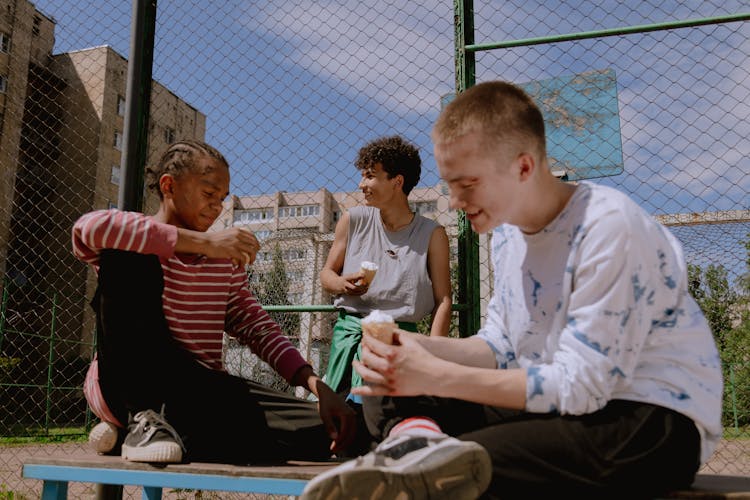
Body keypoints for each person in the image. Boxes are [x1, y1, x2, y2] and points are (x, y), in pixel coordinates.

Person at [301, 81, 723, 500]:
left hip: (648, 418)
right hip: (554, 406)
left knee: (472, 463)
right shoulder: (506, 236)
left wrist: (439, 373)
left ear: (522, 167)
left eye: (466, 184)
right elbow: (499, 346)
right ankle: (414, 448)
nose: (453, 201)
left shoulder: (608, 228)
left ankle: (421, 465)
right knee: (390, 386)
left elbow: (583, 386)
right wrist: (413, 347)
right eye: (449, 184)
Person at [74, 139, 355, 464]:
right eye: (208, 194)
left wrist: (315, 384)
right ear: (169, 186)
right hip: (124, 384)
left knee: (332, 433)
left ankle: (149, 433)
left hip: (196, 390)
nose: (217, 207)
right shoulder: (138, 234)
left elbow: (256, 327)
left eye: (221, 199)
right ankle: (141, 418)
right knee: (128, 256)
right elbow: (88, 227)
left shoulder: (223, 262)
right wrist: (204, 243)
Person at [319, 135, 451, 450]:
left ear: (397, 181)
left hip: (399, 341)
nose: (361, 183)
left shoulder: (432, 234)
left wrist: (430, 352)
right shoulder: (352, 220)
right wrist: (341, 284)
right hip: (349, 332)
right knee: (337, 429)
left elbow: (443, 300)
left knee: (380, 430)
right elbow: (327, 274)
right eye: (363, 174)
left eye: (370, 175)